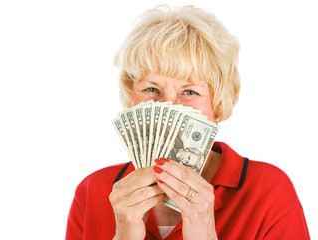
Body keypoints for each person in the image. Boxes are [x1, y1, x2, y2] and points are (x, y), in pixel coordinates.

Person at [65, 5, 310, 240]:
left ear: (218, 106)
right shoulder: (93, 192)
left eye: (190, 92)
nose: (167, 106)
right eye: (151, 88)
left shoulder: (268, 191)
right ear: (131, 101)